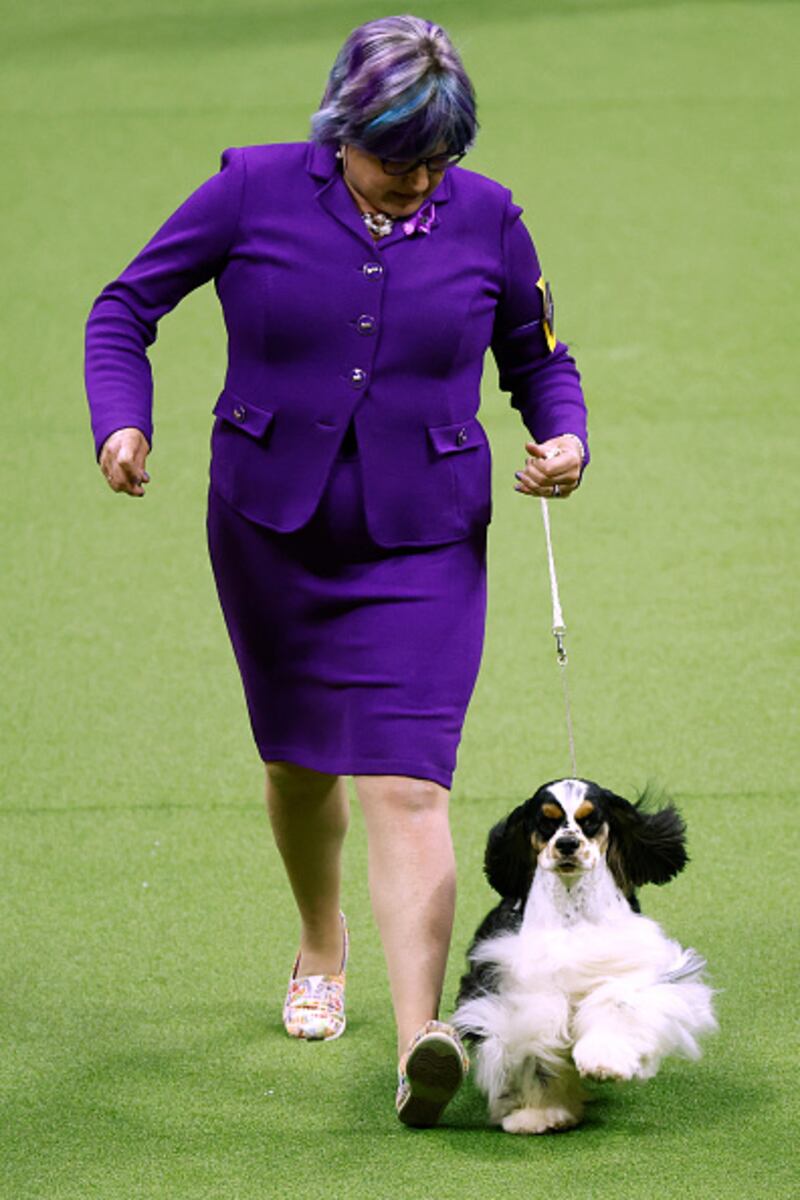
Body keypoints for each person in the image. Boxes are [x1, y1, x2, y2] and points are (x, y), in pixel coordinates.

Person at [84, 14, 588, 1128]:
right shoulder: (250, 191)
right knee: (300, 763)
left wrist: (565, 438)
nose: (418, 182)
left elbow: (538, 358)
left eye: (437, 161)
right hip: (270, 532)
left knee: (406, 783)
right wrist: (122, 420)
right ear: (342, 130)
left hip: (427, 538)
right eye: (397, 159)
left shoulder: (490, 216)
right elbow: (124, 308)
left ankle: (418, 1041)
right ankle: (322, 941)